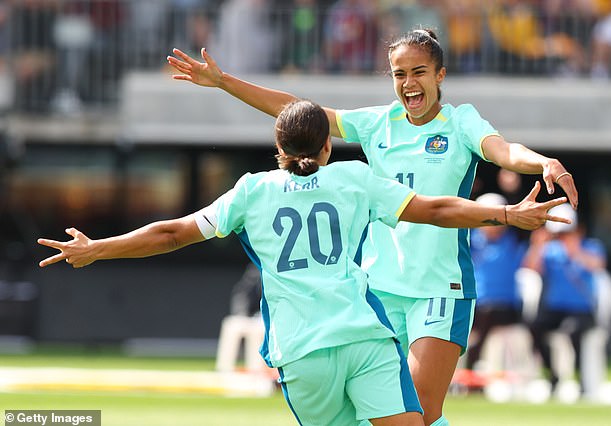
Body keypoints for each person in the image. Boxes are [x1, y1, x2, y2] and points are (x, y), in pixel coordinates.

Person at [36, 99, 569, 426]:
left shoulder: (252, 191)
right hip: (364, 340)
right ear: (327, 146)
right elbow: (434, 209)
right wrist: (504, 218)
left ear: (277, 144)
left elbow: (172, 233)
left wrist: (97, 248)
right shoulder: (353, 179)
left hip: (302, 352)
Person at [166, 29, 578, 426]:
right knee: (377, 415)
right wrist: (223, 82)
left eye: (419, 72)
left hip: (440, 289)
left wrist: (540, 162)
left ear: (440, 76)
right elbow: (297, 112)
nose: (409, 83)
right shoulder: (377, 124)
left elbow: (502, 150)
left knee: (421, 411)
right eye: (400, 74)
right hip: (377, 291)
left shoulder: (460, 122)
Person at [522, 203, 607, 396]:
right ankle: (552, 375)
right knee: (535, 328)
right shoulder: (550, 250)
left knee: (573, 331)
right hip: (555, 308)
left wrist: (575, 251)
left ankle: (581, 380)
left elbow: (598, 265)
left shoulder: (591, 246)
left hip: (582, 310)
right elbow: (530, 268)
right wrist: (538, 245)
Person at [465, 193, 526, 374]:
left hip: (506, 308)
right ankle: (468, 370)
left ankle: (472, 369)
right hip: (475, 305)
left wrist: (513, 190)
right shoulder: (468, 240)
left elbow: (521, 215)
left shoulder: (514, 239)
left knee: (489, 314)